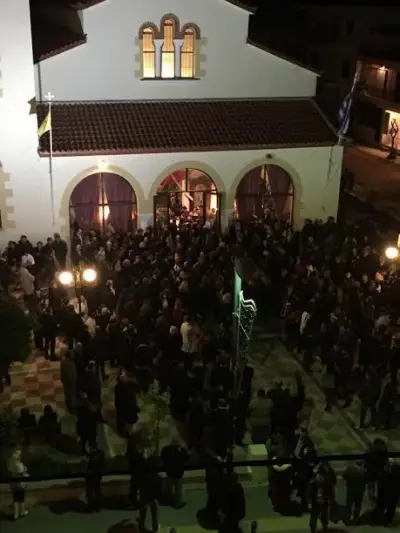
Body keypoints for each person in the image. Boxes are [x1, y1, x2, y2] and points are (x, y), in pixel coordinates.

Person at [161, 437, 189, 508]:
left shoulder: (166, 449)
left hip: (169, 471)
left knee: (168, 487)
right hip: (178, 471)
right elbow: (186, 457)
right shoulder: (180, 450)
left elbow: (163, 457)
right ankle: (177, 503)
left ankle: (168, 501)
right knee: (178, 489)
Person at [343, 460, 366, 524]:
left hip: (350, 489)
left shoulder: (349, 469)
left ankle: (347, 518)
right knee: (358, 505)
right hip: (360, 490)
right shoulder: (363, 471)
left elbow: (344, 477)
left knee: (349, 504)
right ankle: (356, 518)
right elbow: (366, 480)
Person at [8, 449, 29, 520]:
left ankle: (16, 515)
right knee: (21, 498)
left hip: (13, 484)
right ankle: (22, 512)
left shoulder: (10, 463)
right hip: (20, 484)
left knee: (16, 499)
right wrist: (25, 471)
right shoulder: (19, 464)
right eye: (18, 454)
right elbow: (22, 473)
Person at [84, 446, 105, 512]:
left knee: (90, 490)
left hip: (92, 474)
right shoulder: (100, 455)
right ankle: (97, 506)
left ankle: (91, 505)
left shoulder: (93, 456)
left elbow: (90, 466)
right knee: (97, 489)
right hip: (97, 474)